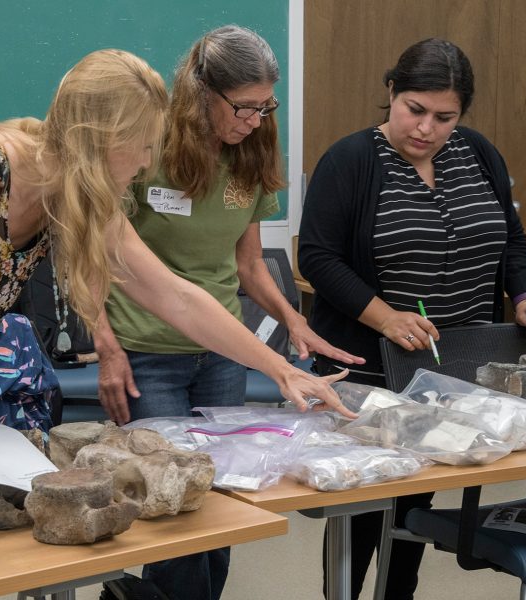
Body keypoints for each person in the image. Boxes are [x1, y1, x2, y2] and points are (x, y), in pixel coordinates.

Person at [0, 47, 359, 434]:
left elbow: (177, 298)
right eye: (141, 146)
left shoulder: (80, 192)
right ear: (100, 138)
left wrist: (281, 369)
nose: (144, 164)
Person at [91, 26, 364, 600]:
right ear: (200, 91)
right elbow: (95, 255)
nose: (255, 121)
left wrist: (293, 320)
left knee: (219, 505)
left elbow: (248, 267)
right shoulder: (149, 146)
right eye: (243, 107)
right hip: (147, 353)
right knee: (173, 513)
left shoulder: (251, 151)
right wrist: (108, 348)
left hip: (221, 352)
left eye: (266, 107)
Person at [298, 38, 526, 600]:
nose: (426, 128)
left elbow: (513, 245)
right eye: (415, 109)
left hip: (454, 370)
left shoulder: (478, 154)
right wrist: (384, 317)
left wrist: (525, 296)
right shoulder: (351, 160)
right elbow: (318, 257)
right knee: (364, 510)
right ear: (391, 93)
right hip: (372, 373)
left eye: (444, 117)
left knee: (415, 509)